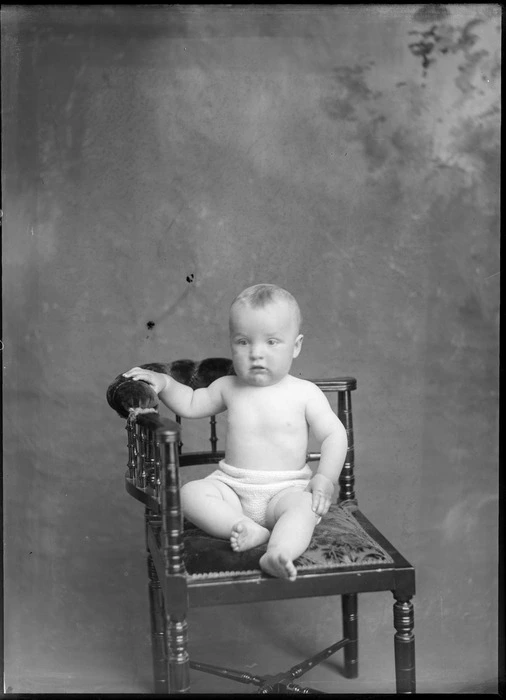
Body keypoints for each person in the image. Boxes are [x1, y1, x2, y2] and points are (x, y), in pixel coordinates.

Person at [123, 284, 347, 580]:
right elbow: (190, 403)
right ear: (231, 344)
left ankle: (279, 552)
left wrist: (325, 478)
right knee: (190, 493)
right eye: (243, 342)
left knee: (305, 508)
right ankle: (242, 527)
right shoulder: (228, 387)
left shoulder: (306, 393)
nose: (256, 354)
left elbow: (334, 435)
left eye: (272, 342)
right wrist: (164, 382)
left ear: (296, 346)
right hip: (232, 488)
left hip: (286, 490)